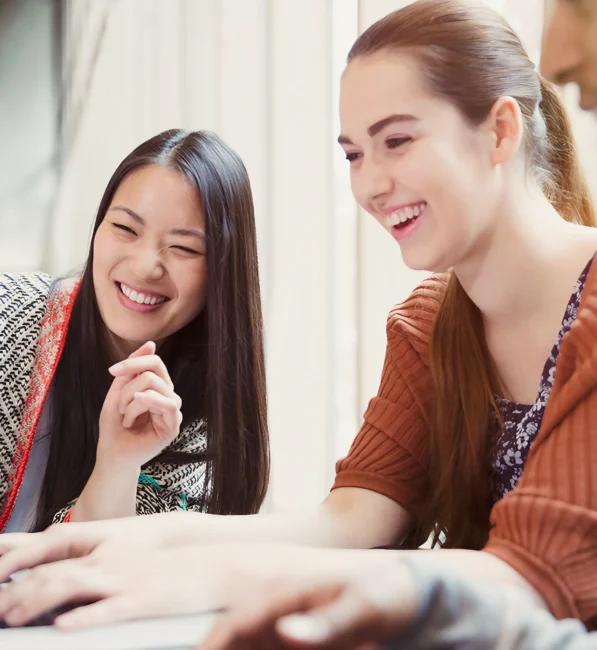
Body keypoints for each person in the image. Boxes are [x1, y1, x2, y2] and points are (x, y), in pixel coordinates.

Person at [1, 0, 597, 637]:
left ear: (501, 132)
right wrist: (125, 546)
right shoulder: (429, 326)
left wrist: (218, 574)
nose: (370, 185)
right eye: (353, 155)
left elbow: (536, 573)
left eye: (396, 141)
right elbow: (349, 523)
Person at [0, 129, 269, 534]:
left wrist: (119, 464)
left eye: (184, 248)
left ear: (222, 272)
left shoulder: (207, 437)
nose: (146, 266)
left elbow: (85, 580)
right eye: (125, 228)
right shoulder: (12, 314)